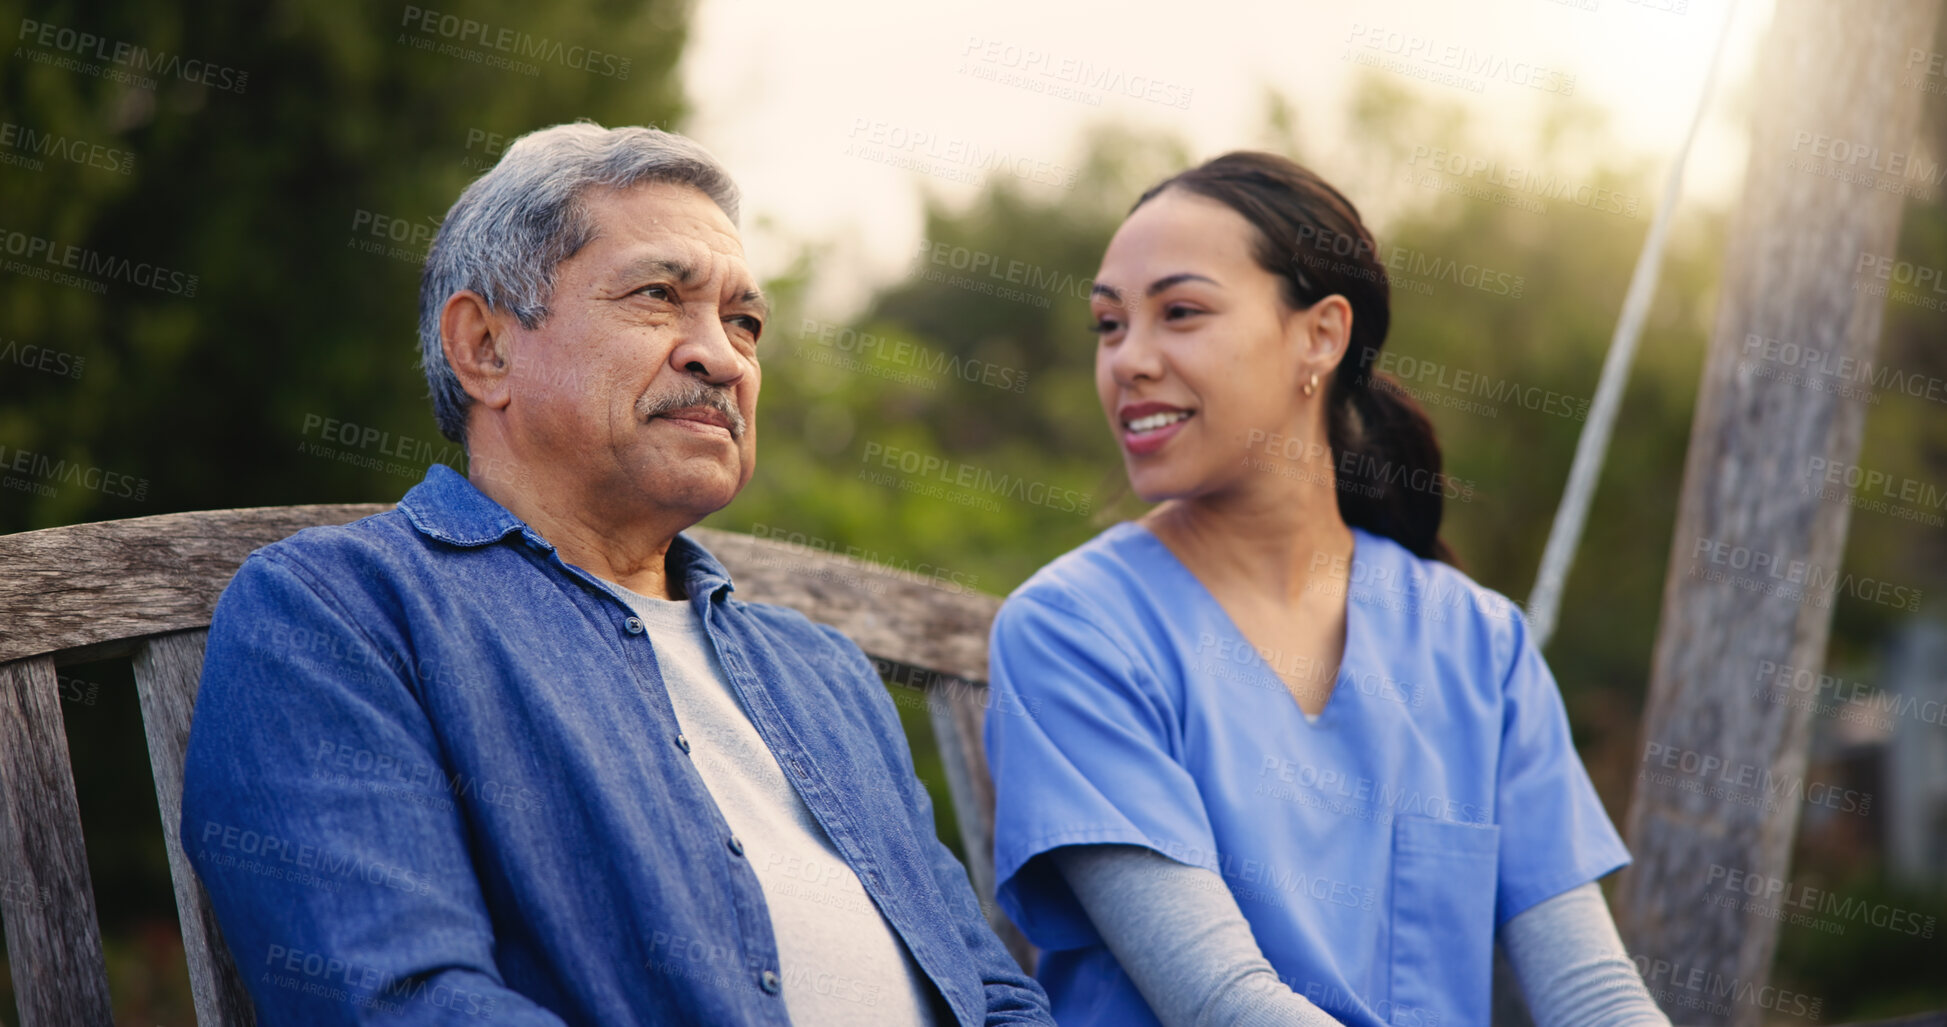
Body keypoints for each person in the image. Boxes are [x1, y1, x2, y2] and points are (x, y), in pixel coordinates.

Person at [180, 121, 1053, 1027]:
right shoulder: (345, 614)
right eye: (658, 296)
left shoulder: (822, 671)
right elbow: (403, 1003)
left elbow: (989, 992)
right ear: (484, 346)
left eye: (744, 321)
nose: (721, 355)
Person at [982, 151, 1671, 1027]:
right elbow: (1224, 1004)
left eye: (1179, 313)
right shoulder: (1072, 631)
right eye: (1109, 326)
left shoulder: (1478, 645)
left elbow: (1591, 995)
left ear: (1320, 334)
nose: (1129, 361)